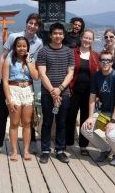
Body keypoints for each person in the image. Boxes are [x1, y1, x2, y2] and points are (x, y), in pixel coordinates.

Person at [0, 13, 43, 158]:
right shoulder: (14, 36)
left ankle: (30, 144)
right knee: (3, 113)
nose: (32, 26)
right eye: (30, 23)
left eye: (36, 24)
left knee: (28, 118)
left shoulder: (39, 43)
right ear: (26, 23)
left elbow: (34, 63)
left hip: (27, 82)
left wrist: (30, 65)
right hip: (9, 80)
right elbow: (3, 56)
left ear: (38, 27)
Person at [81, 49, 115, 167]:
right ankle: (105, 149)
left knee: (111, 135)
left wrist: (113, 121)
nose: (105, 63)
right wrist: (90, 117)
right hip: (104, 111)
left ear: (112, 62)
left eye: (108, 60)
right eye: (103, 60)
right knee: (85, 129)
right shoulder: (96, 76)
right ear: (99, 62)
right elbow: (92, 98)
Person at [37, 22, 75, 164]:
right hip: (47, 93)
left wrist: (60, 88)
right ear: (50, 35)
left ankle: (59, 150)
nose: (58, 36)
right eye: (55, 33)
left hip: (64, 93)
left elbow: (70, 72)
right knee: (47, 122)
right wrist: (53, 91)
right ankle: (45, 151)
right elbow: (42, 73)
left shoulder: (69, 51)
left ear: (63, 35)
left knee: (62, 122)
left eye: (60, 33)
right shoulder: (43, 51)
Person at [2, 37, 39, 161]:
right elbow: (5, 82)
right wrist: (9, 99)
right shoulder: (8, 61)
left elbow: (36, 77)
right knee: (14, 123)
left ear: (27, 48)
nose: (22, 48)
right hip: (14, 91)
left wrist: (28, 62)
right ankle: (14, 151)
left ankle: (26, 151)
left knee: (27, 123)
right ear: (15, 47)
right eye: (19, 46)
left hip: (28, 91)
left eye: (24, 46)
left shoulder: (31, 60)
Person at [66, 29, 100, 156]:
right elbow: (67, 71)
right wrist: (67, 87)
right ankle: (68, 142)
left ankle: (83, 145)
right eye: (85, 38)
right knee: (70, 117)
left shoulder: (95, 56)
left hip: (89, 93)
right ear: (81, 38)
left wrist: (98, 95)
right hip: (73, 90)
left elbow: (99, 76)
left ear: (92, 41)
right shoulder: (72, 53)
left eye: (89, 38)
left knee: (86, 118)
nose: (87, 40)